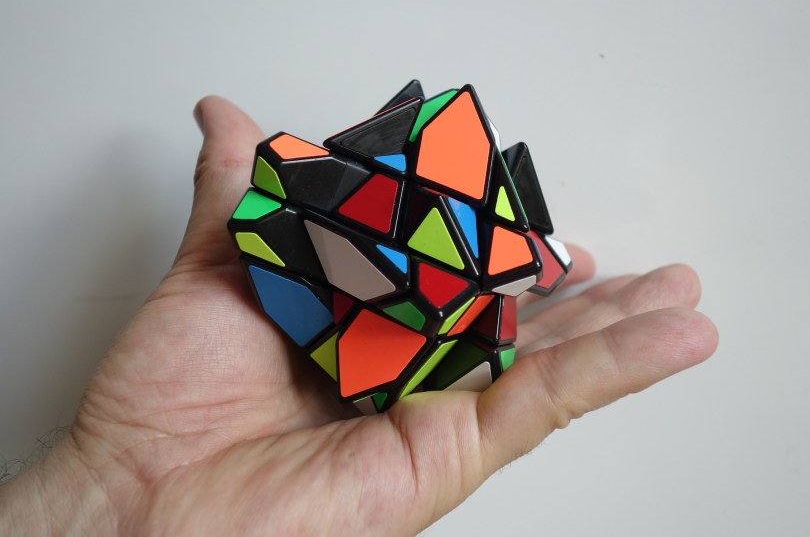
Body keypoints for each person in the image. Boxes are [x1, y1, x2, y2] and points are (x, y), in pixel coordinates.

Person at [0, 97, 718, 536]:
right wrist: (107, 497)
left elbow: (498, 250)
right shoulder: (282, 221)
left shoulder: (472, 232)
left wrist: (102, 504)